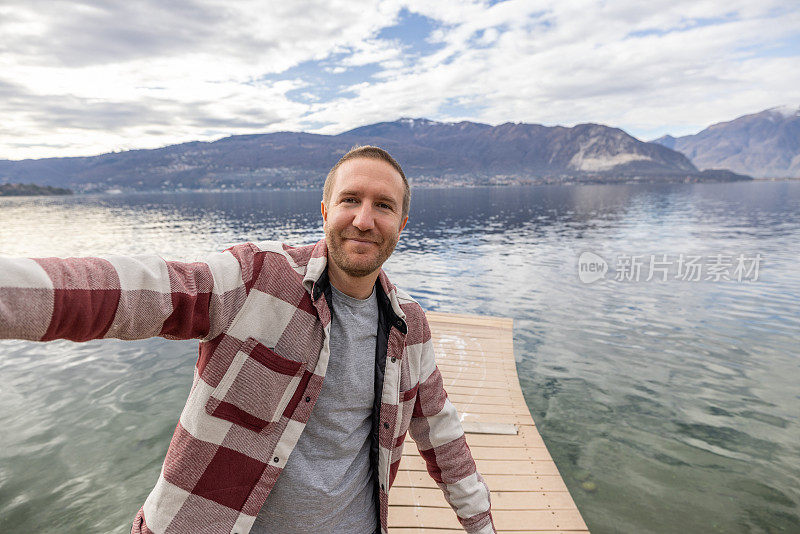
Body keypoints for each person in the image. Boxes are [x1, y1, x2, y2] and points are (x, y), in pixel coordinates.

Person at [0, 145, 495, 534]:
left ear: (402, 225)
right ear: (325, 209)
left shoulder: (408, 328)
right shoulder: (256, 278)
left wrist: (482, 527)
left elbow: (444, 438)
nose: (364, 219)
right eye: (350, 200)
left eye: (383, 206)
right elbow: (141, 290)